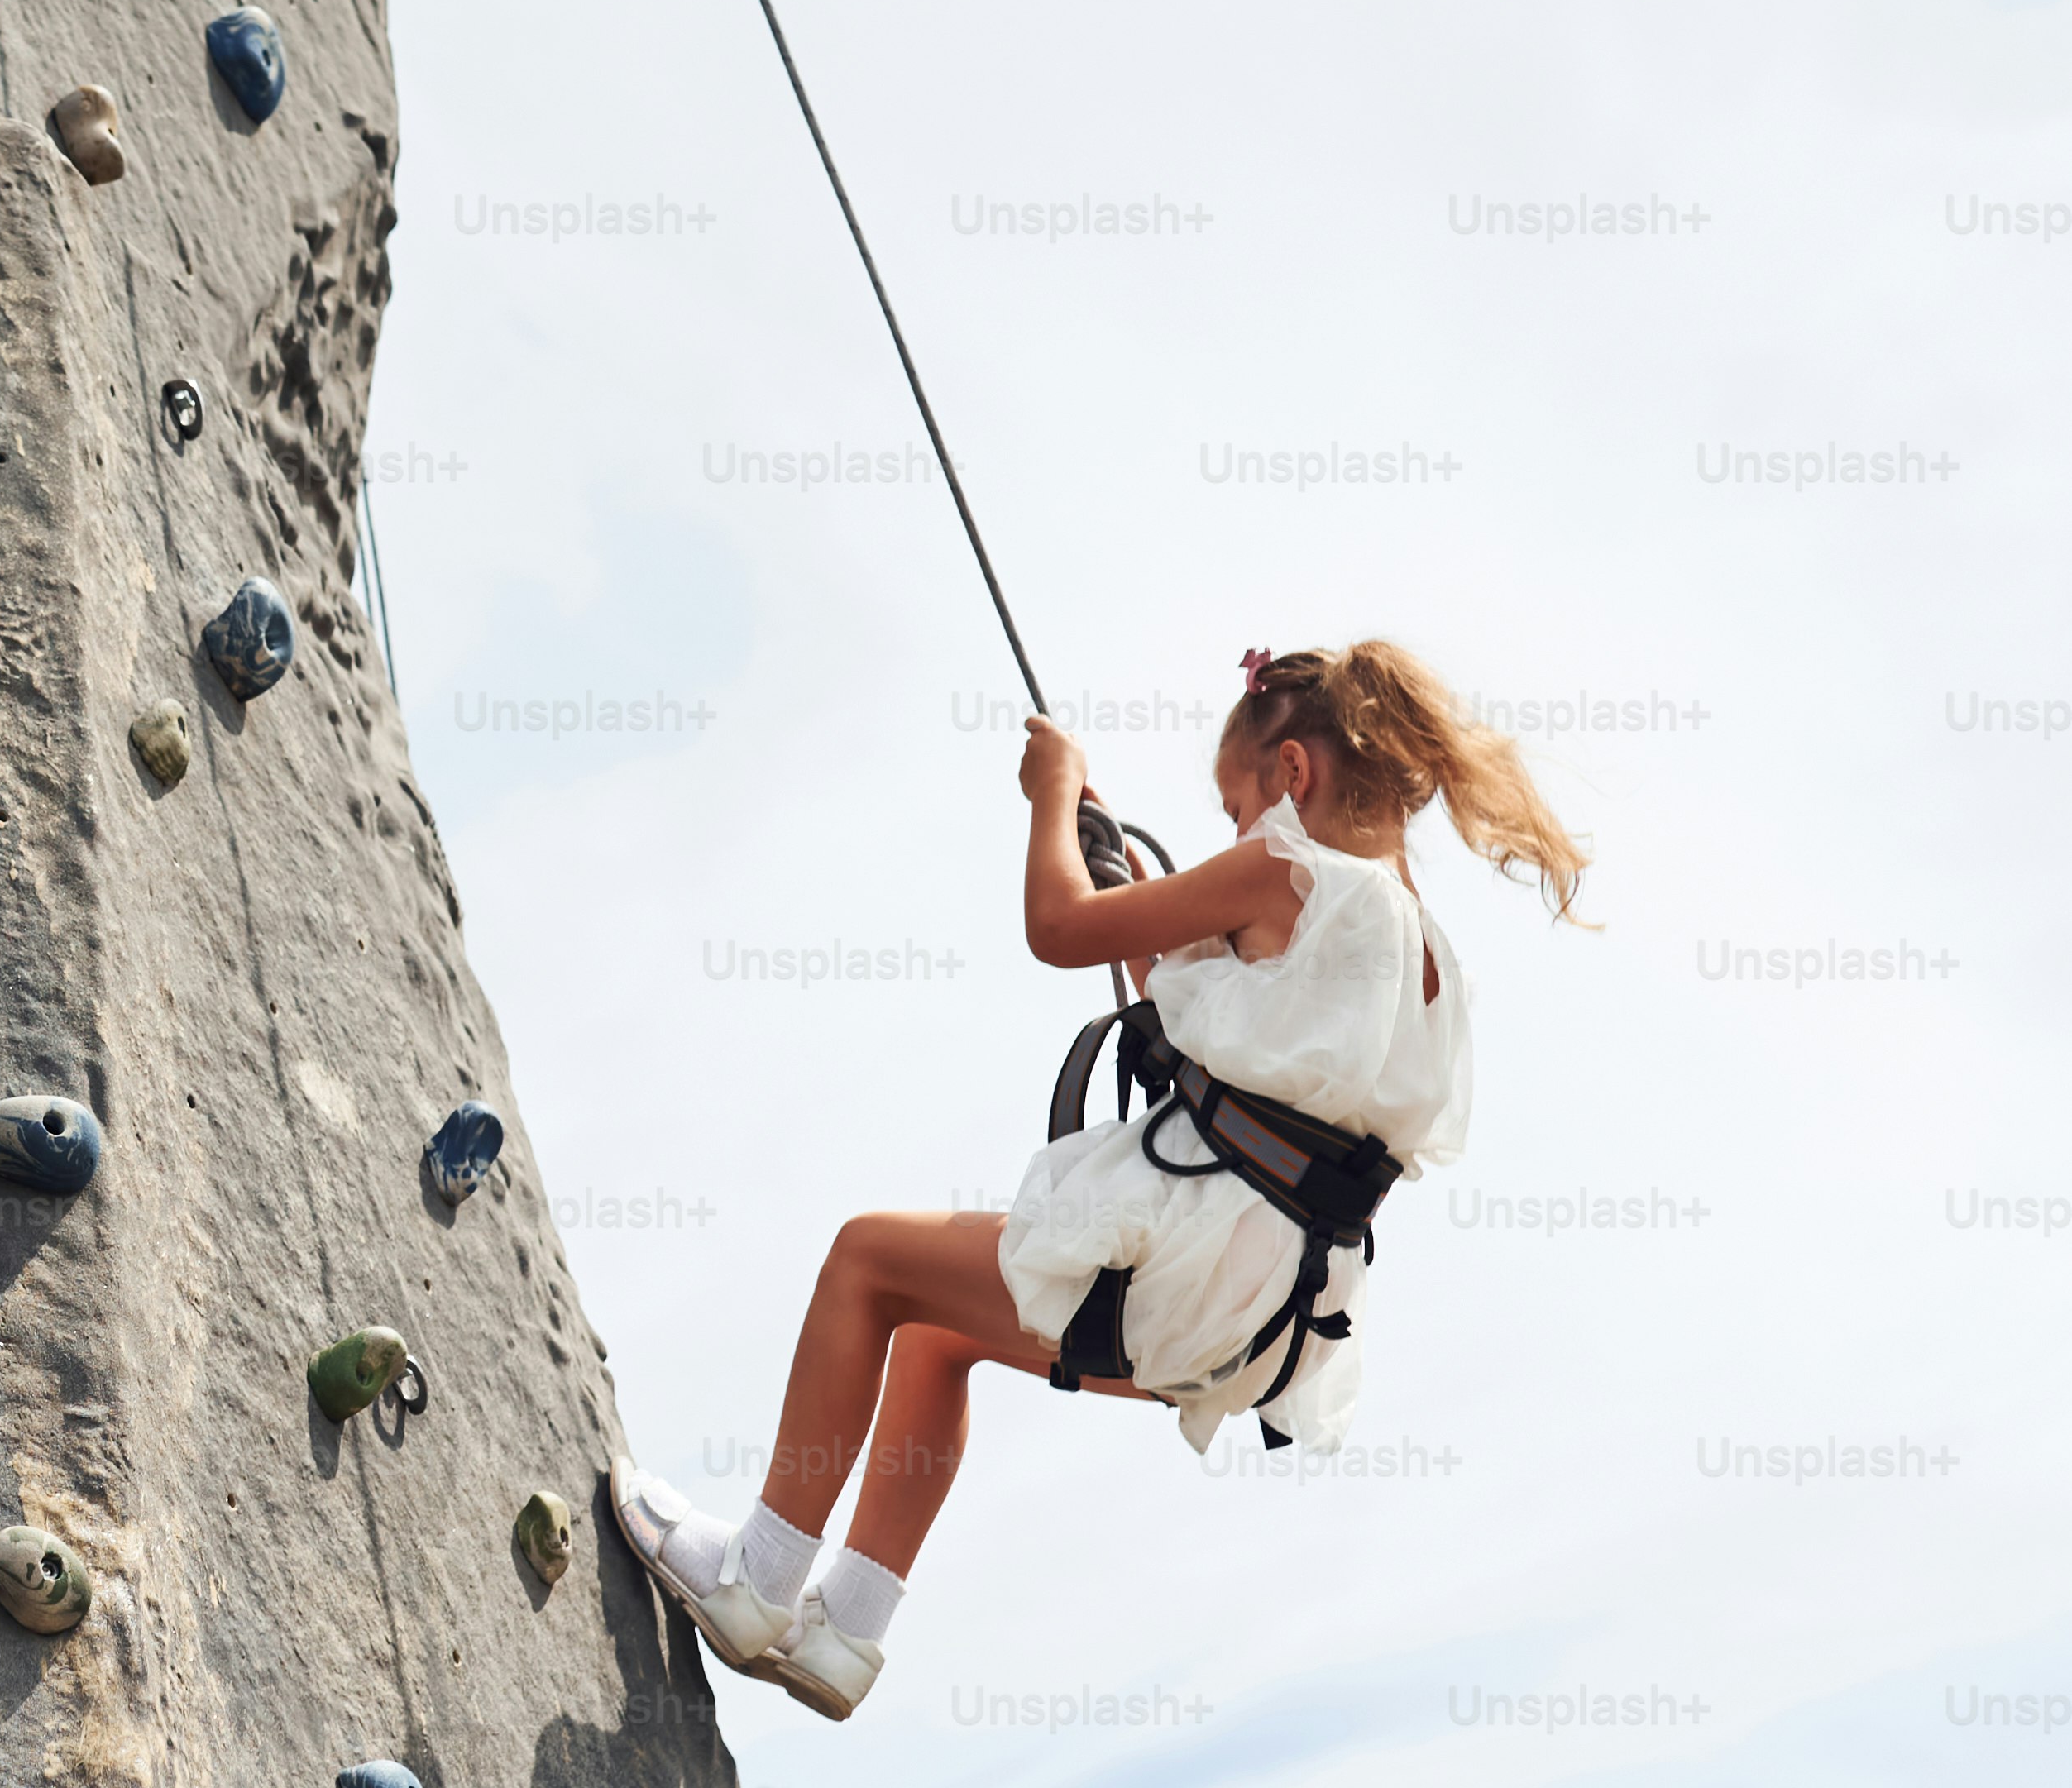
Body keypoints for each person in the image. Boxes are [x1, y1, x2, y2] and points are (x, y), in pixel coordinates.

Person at [610, 642, 1590, 1721]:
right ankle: (845, 1632)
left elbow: (1058, 930)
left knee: (866, 1259)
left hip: (1199, 1269)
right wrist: (1129, 875)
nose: (1236, 835)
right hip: (1279, 1329)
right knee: (936, 1334)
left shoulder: (1285, 871)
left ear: (1295, 774)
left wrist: (1052, 795)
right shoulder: (1429, 959)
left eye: (1236, 808)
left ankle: (757, 1580)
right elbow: (1210, 1039)